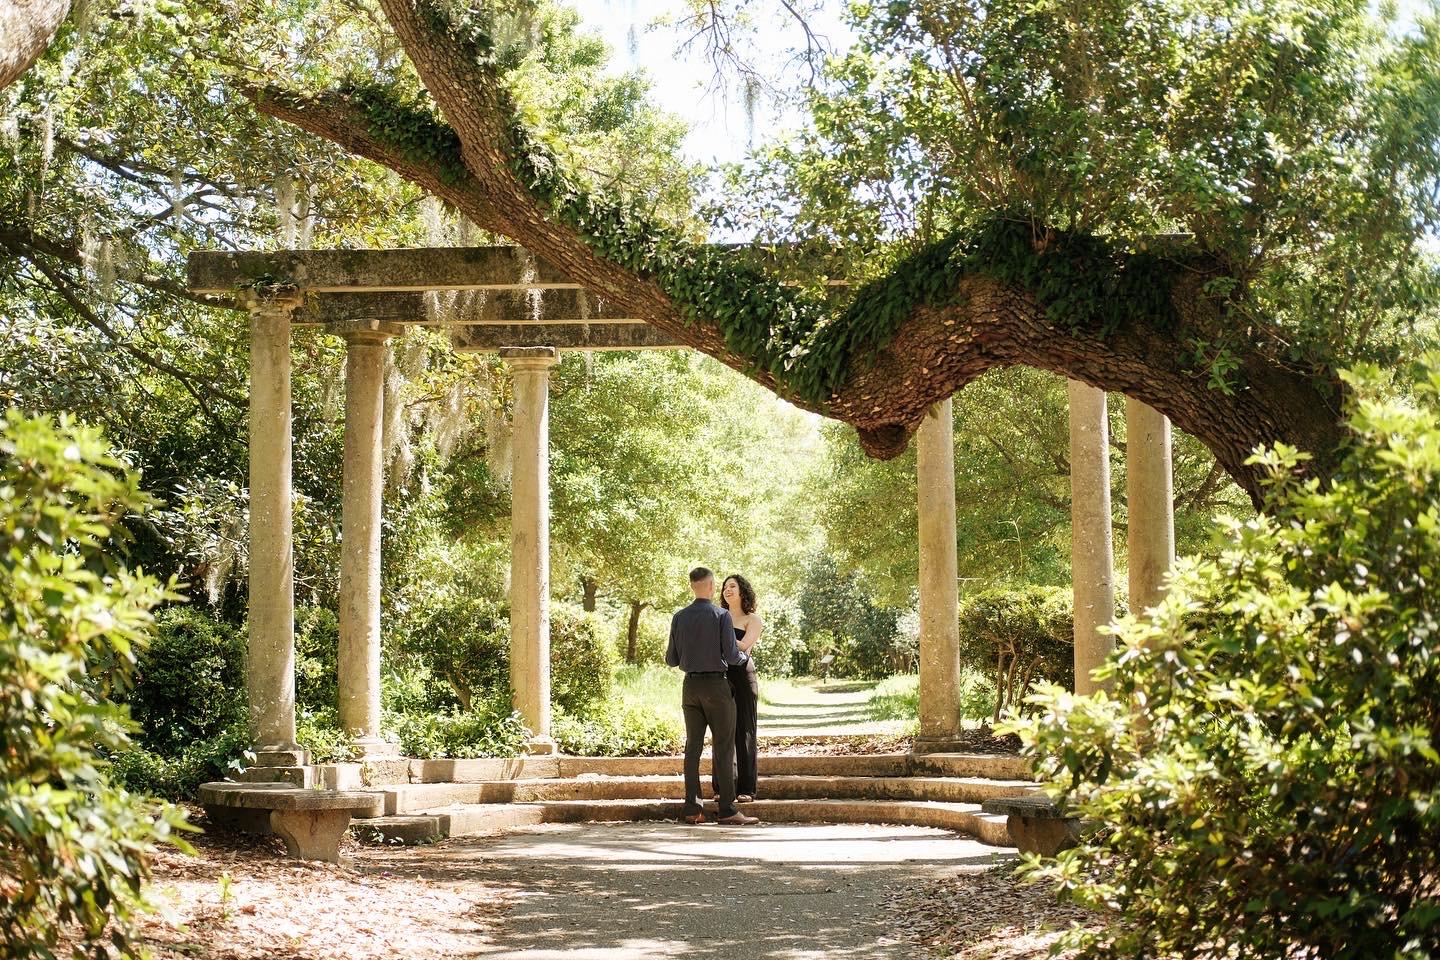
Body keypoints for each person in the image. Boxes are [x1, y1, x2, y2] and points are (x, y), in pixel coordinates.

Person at [665, 566, 759, 826]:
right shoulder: (721, 616)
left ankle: (692, 809)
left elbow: (671, 659)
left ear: (692, 586)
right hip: (717, 687)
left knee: (692, 748)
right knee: (724, 746)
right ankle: (727, 809)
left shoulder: (679, 617)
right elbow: (732, 656)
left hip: (690, 687)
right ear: (710, 586)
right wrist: (745, 653)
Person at [714, 573, 764, 802]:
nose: (727, 589)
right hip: (720, 675)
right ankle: (722, 788)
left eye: (732, 586)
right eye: (725, 587)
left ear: (742, 590)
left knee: (744, 731)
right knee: (722, 732)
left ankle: (746, 789)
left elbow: (744, 646)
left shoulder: (753, 619)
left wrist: (722, 634)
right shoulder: (718, 616)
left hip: (743, 676)